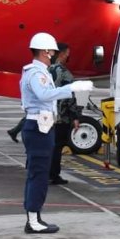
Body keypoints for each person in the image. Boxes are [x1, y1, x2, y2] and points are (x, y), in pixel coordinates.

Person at [20, 32, 93, 233]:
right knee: (39, 175)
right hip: (38, 128)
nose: (53, 53)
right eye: (51, 50)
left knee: (38, 174)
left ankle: (34, 217)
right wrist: (72, 88)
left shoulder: (38, 71)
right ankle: (33, 220)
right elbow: (43, 95)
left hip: (41, 126)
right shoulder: (36, 73)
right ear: (45, 51)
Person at [48, 43, 82, 185]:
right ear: (62, 54)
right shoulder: (65, 73)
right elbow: (69, 97)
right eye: (67, 53)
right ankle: (54, 174)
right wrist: (75, 116)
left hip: (46, 114)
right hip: (61, 117)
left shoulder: (47, 70)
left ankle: (42, 171)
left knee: (46, 145)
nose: (69, 55)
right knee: (58, 146)